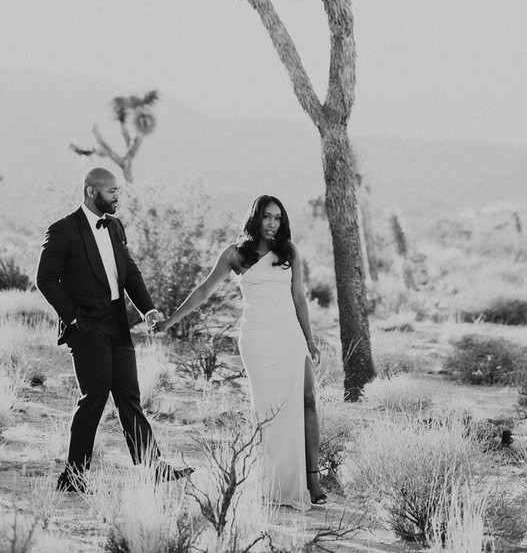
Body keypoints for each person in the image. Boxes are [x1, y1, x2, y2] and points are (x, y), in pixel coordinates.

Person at [153, 194, 327, 510]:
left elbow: (299, 297)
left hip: (290, 334)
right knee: (269, 407)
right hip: (258, 337)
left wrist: (310, 340)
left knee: (307, 399)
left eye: (278, 218)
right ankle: (272, 481)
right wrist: (168, 322)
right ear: (256, 218)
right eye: (267, 217)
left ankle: (312, 478)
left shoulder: (289, 252)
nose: (273, 223)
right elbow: (204, 290)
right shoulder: (235, 254)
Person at [36, 167, 193, 492]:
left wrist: (148, 309)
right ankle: (74, 477)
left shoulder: (116, 226)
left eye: (118, 191)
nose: (118, 197)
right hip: (87, 324)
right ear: (92, 192)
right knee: (94, 396)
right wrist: (73, 318)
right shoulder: (63, 230)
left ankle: (154, 467)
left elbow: (129, 272)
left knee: (128, 396)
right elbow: (45, 278)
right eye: (112, 192)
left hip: (117, 321)